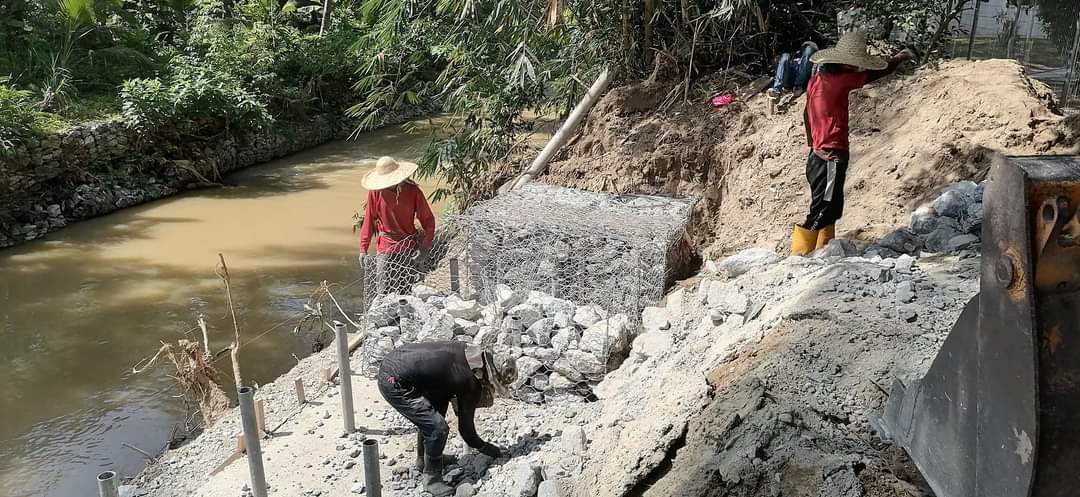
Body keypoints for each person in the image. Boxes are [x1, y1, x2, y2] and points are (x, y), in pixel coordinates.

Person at [790, 31, 915, 255]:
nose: (858, 67)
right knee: (823, 209)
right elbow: (877, 73)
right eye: (855, 63)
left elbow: (805, 114)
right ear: (845, 64)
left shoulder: (817, 79)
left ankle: (823, 252)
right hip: (830, 155)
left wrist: (813, 143)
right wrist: (900, 57)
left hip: (819, 153)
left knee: (831, 206)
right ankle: (798, 258)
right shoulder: (840, 81)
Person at [377, 341, 517, 497]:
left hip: (397, 363)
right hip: (394, 382)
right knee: (438, 428)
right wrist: (489, 449)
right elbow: (466, 432)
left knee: (435, 411)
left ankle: (424, 460)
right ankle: (431, 479)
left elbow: (442, 379)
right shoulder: (470, 380)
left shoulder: (469, 353)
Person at [358, 156, 436, 295]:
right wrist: (363, 248)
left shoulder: (413, 192)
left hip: (407, 245)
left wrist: (425, 246)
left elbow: (428, 220)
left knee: (406, 289)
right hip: (385, 246)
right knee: (383, 289)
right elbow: (369, 220)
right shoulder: (375, 192)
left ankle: (405, 315)